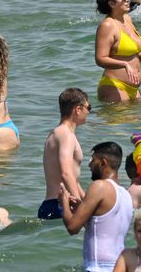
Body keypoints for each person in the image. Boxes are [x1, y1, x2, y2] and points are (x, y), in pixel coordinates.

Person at [60, 141, 133, 272]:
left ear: (103, 162)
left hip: (98, 268)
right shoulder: (126, 194)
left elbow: (72, 228)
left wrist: (64, 202)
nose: (89, 165)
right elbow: (102, 228)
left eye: (93, 160)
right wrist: (80, 210)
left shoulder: (99, 186)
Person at [39, 88, 91, 220]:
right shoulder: (65, 135)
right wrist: (80, 207)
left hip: (53, 204)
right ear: (78, 109)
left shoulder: (58, 133)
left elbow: (72, 178)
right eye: (88, 107)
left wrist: (87, 204)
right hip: (60, 206)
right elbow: (66, 173)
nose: (89, 112)